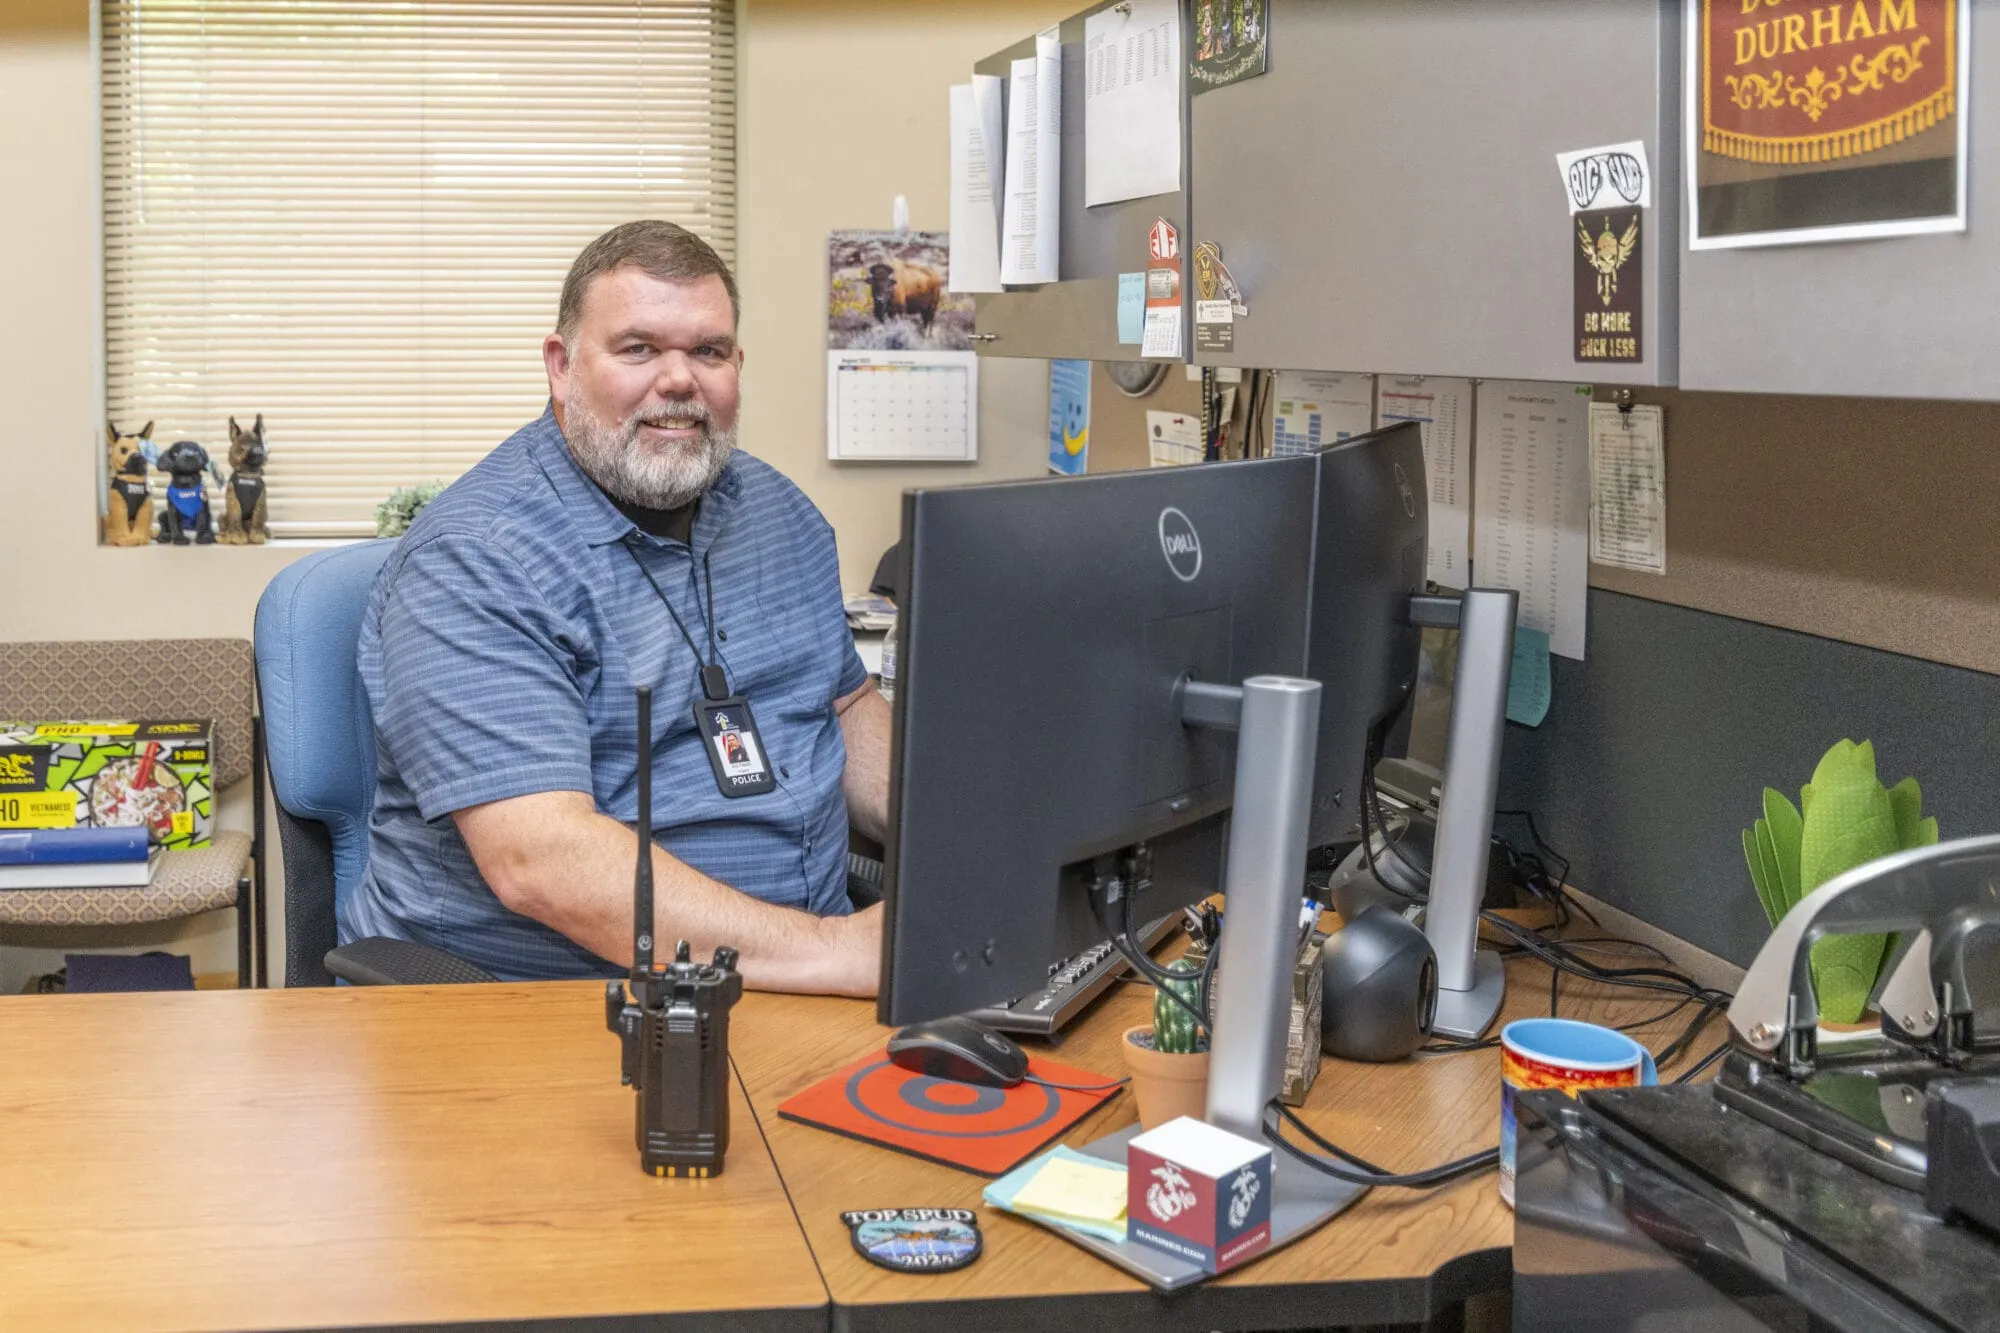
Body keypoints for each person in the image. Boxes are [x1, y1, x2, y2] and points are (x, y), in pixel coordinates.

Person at [347, 219, 888, 994]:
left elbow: (844, 706)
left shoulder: (783, 515)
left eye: (707, 351)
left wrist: (973, 826)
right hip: (554, 1004)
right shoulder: (475, 559)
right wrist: (832, 950)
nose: (678, 380)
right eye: (638, 349)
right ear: (561, 368)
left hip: (800, 976)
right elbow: (541, 861)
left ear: (738, 366)